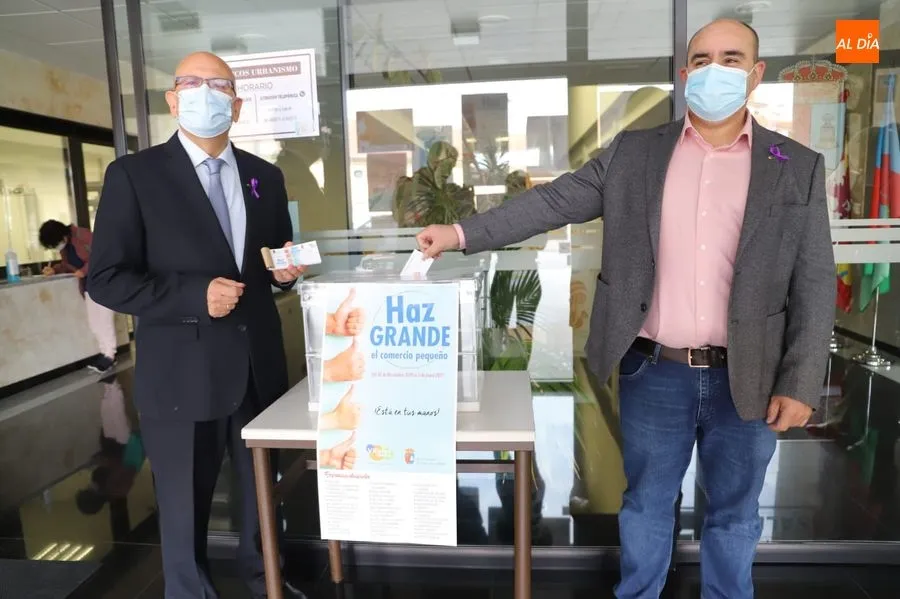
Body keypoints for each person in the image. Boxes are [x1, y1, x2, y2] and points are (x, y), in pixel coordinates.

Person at [417, 19, 835, 599]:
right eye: (702, 60)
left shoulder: (796, 165)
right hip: (655, 370)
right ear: (685, 74)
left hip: (753, 374)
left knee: (736, 514)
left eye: (732, 59)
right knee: (645, 504)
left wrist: (801, 380)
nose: (715, 70)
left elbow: (814, 281)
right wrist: (461, 233)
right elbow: (553, 201)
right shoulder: (634, 154)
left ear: (756, 73)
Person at [87, 52, 306, 599]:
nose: (204, 92)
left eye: (219, 85)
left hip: (257, 366)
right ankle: (189, 591)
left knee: (262, 495)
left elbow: (270, 257)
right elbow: (107, 279)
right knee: (184, 504)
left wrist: (284, 271)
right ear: (173, 99)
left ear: (237, 104)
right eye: (191, 82)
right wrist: (193, 296)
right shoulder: (134, 176)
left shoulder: (264, 176)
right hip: (181, 373)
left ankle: (265, 580)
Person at [38, 220, 118, 374]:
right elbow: (67, 265)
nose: (56, 248)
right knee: (95, 323)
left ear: (62, 236)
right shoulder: (65, 247)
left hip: (103, 283)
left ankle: (109, 355)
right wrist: (54, 270)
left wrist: (84, 270)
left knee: (105, 321)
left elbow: (101, 254)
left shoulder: (82, 235)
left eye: (55, 244)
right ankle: (106, 353)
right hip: (88, 286)